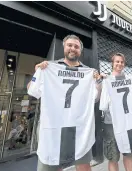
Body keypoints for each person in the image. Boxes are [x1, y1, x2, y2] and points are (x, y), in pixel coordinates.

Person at [28, 34, 102, 171]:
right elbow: (32, 90)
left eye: (76, 46)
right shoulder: (50, 67)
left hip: (79, 125)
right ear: (64, 47)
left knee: (83, 164)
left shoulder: (89, 72)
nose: (73, 49)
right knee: (53, 163)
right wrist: (37, 73)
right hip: (53, 125)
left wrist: (98, 82)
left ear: (80, 50)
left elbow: (96, 98)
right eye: (70, 45)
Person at [100, 53, 132, 171]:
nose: (119, 64)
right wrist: (100, 80)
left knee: (128, 154)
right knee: (113, 157)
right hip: (111, 123)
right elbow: (102, 103)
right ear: (112, 64)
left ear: (124, 64)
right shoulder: (106, 79)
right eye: (117, 62)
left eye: (121, 62)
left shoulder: (130, 79)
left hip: (126, 122)